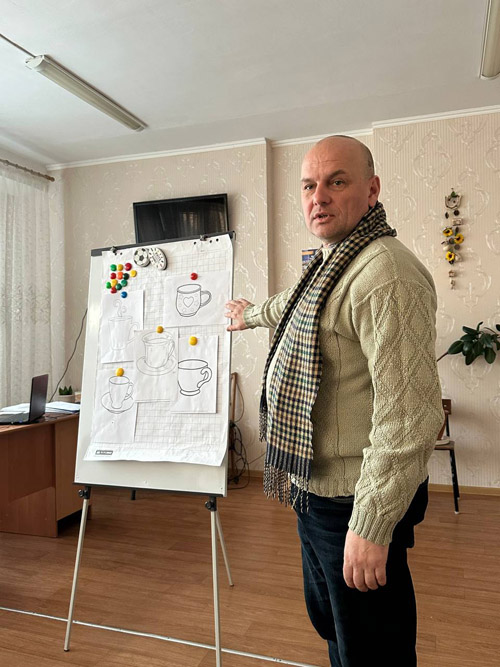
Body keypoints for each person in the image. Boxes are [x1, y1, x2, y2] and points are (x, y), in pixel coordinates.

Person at [225, 135, 444, 667]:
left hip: (354, 500)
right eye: (309, 186)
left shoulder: (385, 273)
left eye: (336, 182)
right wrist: (249, 314)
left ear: (371, 190)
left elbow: (410, 417)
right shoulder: (333, 265)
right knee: (336, 630)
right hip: (316, 489)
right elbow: (294, 305)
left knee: (373, 649)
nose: (318, 197)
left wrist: (371, 525)